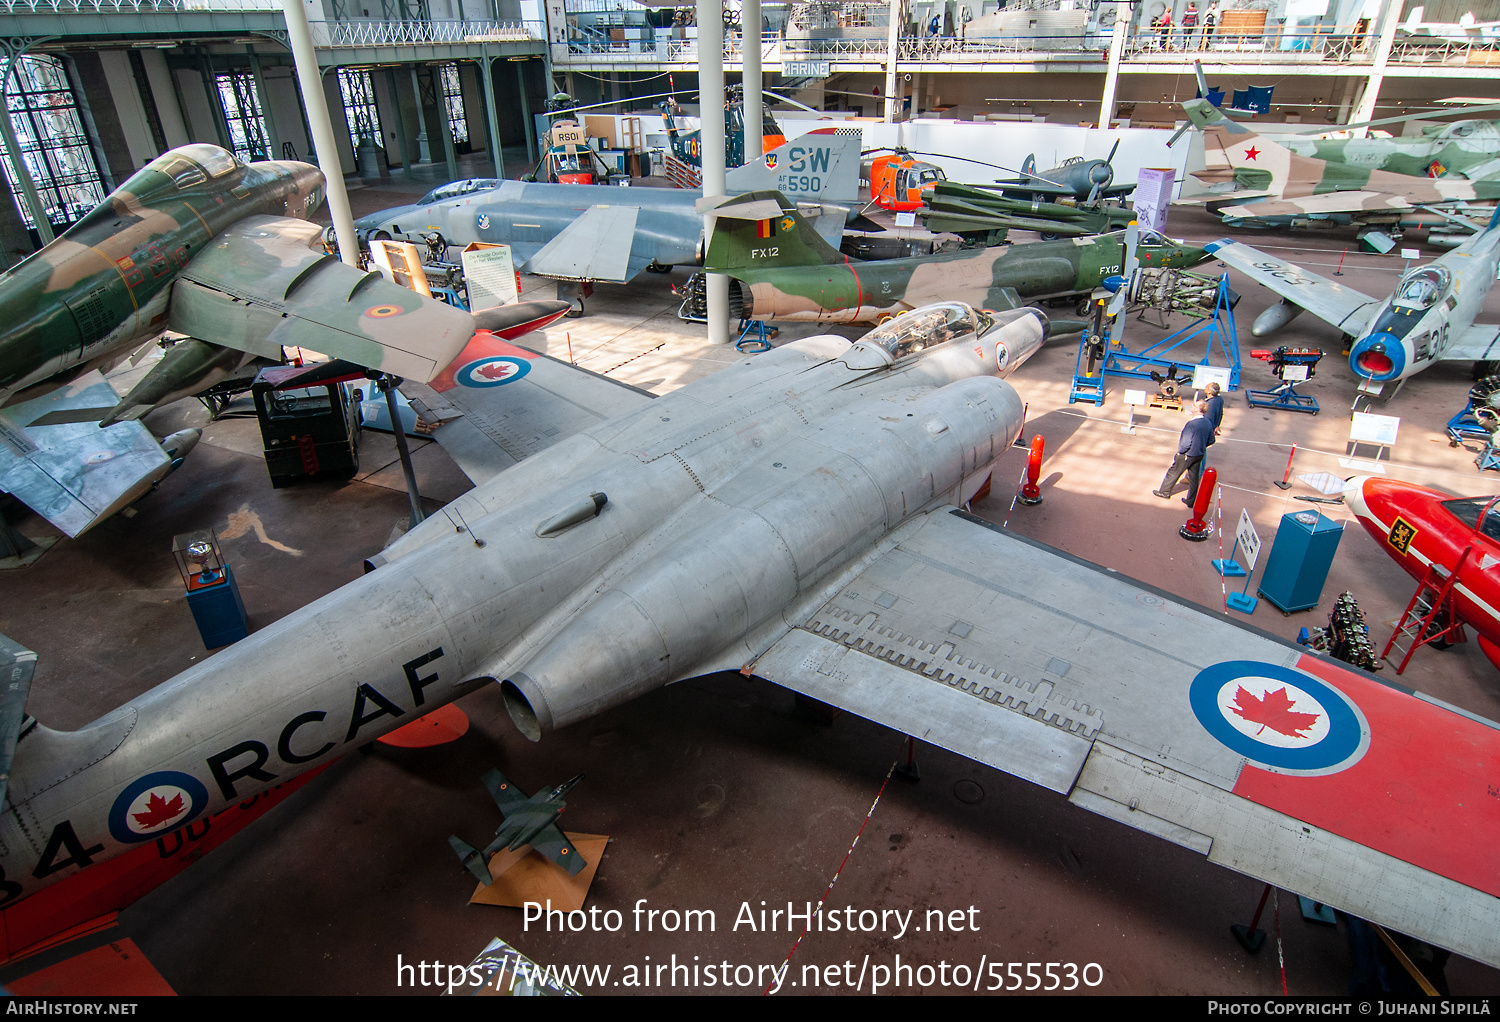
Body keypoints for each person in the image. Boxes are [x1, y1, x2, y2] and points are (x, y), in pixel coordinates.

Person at [1154, 400, 1215, 504]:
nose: (1192, 406)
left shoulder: (1191, 424)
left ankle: (1164, 492)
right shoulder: (1208, 423)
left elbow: (1186, 442)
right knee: (1194, 477)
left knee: (1173, 472)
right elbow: (1211, 440)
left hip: (1187, 454)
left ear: (1197, 409)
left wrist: (1181, 452)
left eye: (1194, 405)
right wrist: (1201, 447)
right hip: (1199, 454)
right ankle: (1191, 500)